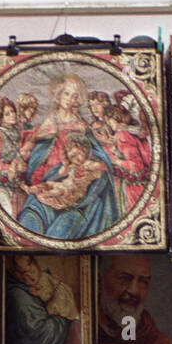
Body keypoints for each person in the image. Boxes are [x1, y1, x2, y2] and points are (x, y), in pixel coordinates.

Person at [16, 73, 118, 241]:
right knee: (39, 202)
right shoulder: (52, 118)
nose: (70, 99)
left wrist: (96, 159)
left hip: (77, 168)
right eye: (67, 94)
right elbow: (36, 142)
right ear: (58, 94)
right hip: (53, 166)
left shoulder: (80, 120)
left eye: (74, 96)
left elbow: (93, 146)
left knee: (81, 200)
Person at [4, 254, 76, 344]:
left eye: (31, 271)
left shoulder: (43, 279)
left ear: (36, 265)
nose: (29, 277)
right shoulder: (19, 295)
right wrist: (62, 322)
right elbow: (35, 330)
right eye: (22, 274)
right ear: (13, 273)